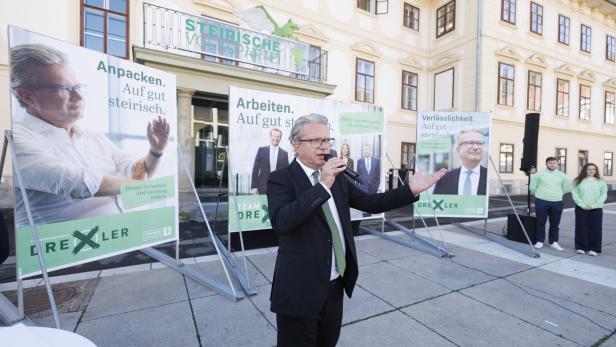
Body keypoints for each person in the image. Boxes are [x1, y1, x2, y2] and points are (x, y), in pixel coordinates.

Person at [266, 114, 446, 347]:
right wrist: (322, 185)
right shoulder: (281, 179)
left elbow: (371, 203)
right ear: (296, 145)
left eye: (327, 139)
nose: (325, 146)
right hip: (300, 289)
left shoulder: (339, 179)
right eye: (316, 141)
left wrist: (409, 190)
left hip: (334, 286)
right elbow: (282, 221)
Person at [10, 44, 169, 226]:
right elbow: (78, 183)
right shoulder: (19, 137)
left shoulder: (93, 137)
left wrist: (156, 150)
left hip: (115, 241)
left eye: (77, 86)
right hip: (57, 249)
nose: (78, 96)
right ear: (27, 96)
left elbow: (135, 171)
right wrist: (150, 190)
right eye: (64, 88)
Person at [529, 156, 569, 251]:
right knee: (540, 222)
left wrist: (556, 195)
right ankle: (540, 241)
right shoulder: (539, 174)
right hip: (542, 201)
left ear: (557, 164)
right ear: (546, 164)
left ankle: (553, 242)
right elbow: (532, 188)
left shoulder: (562, 175)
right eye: (550, 163)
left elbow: (565, 188)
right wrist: (542, 194)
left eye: (554, 163)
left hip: (557, 202)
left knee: (555, 223)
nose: (552, 164)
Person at [433, 128, 488, 195]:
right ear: (458, 150)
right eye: (470, 143)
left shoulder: (490, 178)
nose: (476, 147)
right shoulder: (444, 179)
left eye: (479, 143)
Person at [572, 163, 607, 256]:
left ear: (596, 171)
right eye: (589, 169)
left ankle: (594, 248)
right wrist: (583, 205)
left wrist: (593, 206)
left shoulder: (601, 182)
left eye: (593, 169)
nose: (591, 171)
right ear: (585, 170)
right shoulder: (577, 181)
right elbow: (575, 194)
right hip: (581, 208)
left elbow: (603, 195)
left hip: (596, 209)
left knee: (595, 229)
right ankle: (581, 247)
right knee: (581, 227)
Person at [250, 128, 289, 195]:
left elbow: (286, 172)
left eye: (278, 137)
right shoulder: (261, 150)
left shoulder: (284, 153)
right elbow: (255, 169)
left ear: (280, 138)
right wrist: (254, 187)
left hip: (278, 188)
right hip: (262, 187)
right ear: (270, 136)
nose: (276, 138)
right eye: (274, 136)